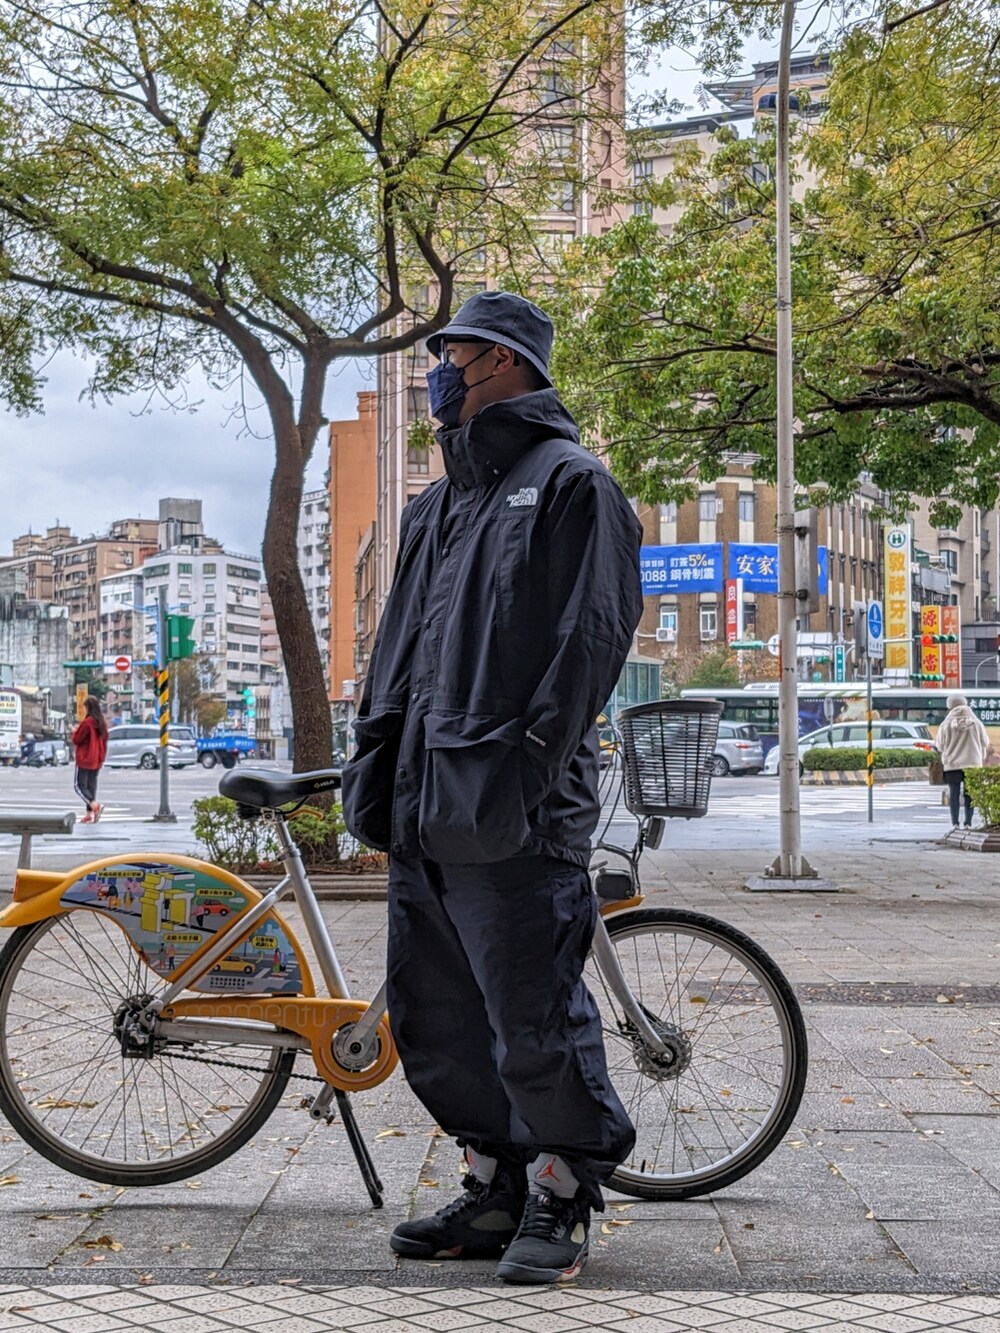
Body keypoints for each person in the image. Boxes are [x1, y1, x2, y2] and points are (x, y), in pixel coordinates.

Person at [342, 291, 643, 1286]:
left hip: (511, 808)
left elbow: (585, 647)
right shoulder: (437, 505)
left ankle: (561, 1186)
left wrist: (524, 775)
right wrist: (374, 764)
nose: (440, 371)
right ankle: (493, 1185)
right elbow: (395, 653)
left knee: (531, 1013)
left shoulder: (571, 485)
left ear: (505, 364)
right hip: (427, 803)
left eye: (455, 353)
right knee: (439, 1013)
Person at [935, 692, 990, 831]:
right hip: (972, 763)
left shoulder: (945, 724)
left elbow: (939, 745)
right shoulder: (976, 722)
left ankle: (955, 823)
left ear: (950, 706)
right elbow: (985, 741)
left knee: (954, 793)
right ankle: (968, 823)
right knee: (970, 794)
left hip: (952, 764)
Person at [71, 696, 108, 824]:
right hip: (97, 758)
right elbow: (105, 741)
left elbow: (77, 739)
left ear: (88, 708)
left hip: (85, 758)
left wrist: (74, 731)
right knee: (91, 786)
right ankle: (89, 813)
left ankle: (94, 805)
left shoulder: (87, 723)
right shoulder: (102, 723)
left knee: (79, 786)